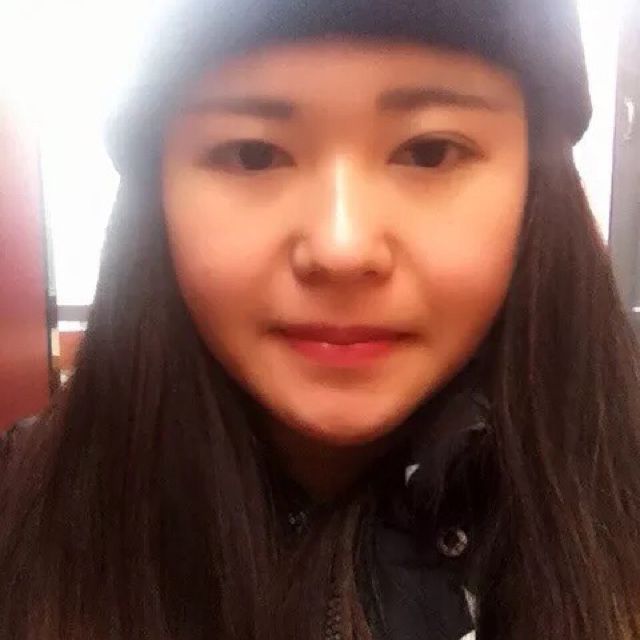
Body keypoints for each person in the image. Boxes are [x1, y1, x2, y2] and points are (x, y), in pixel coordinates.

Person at [1, 1, 639, 638]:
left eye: (429, 152)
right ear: (157, 196)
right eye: (252, 154)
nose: (341, 248)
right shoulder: (18, 511)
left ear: (536, 184)